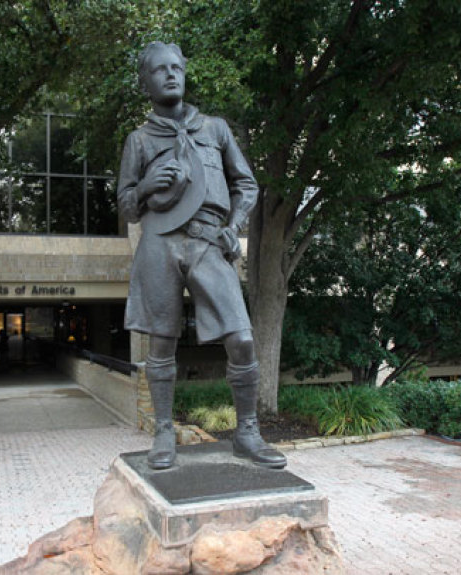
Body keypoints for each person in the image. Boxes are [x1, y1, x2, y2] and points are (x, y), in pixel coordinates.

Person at [118, 42, 287, 470]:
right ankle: (162, 433)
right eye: (159, 70)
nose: (170, 74)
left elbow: (245, 186)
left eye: (177, 67)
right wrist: (146, 185)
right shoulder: (138, 141)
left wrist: (234, 227)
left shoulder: (215, 129)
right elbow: (125, 206)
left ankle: (247, 433)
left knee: (242, 337)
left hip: (209, 241)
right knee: (161, 342)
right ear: (146, 82)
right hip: (159, 242)